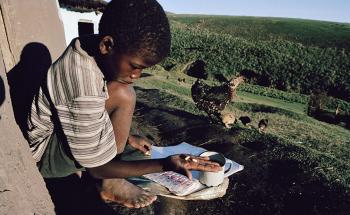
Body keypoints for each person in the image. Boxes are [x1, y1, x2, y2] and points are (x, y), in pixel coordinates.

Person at [24, 0, 221, 209]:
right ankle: (110, 182)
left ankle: (114, 165)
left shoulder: (87, 45)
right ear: (107, 45)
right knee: (123, 93)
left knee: (123, 90)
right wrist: (164, 164)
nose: (137, 75)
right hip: (45, 156)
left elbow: (85, 112)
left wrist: (126, 137)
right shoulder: (81, 85)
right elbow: (97, 168)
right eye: (135, 67)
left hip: (65, 130)